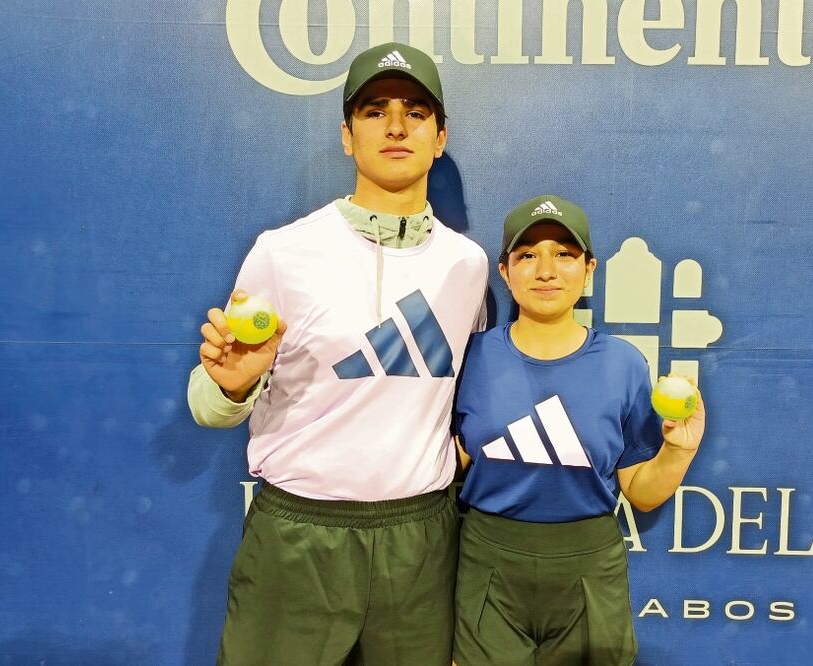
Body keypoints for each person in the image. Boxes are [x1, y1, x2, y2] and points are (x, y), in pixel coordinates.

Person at [187, 42, 488, 665]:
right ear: (347, 137)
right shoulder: (284, 252)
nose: (397, 125)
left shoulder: (468, 265)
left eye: (416, 112)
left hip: (421, 540)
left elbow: (466, 399)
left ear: (440, 137)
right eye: (375, 111)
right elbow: (210, 403)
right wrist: (233, 387)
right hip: (299, 538)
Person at [451, 195, 706, 665]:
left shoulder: (624, 364)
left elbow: (642, 494)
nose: (546, 270)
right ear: (504, 273)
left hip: (588, 565)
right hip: (486, 562)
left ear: (589, 270)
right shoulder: (471, 357)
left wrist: (678, 453)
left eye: (564, 254)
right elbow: (449, 463)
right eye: (527, 255)